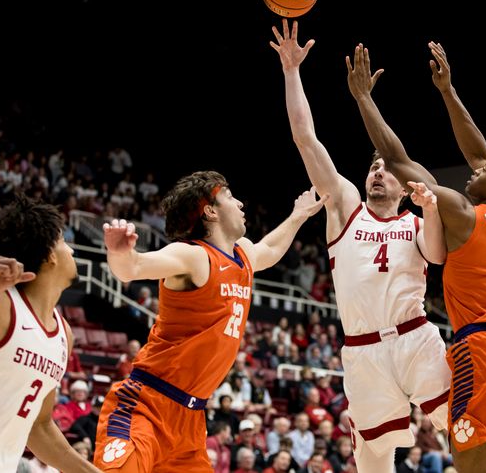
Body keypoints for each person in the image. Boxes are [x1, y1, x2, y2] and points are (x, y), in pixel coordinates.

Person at [346, 40, 486, 472]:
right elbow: (479, 151)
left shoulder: (461, 213)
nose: (475, 169)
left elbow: (397, 159)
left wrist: (363, 98)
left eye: (483, 173)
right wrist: (447, 91)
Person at [271, 19, 451, 472]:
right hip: (361, 349)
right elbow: (305, 139)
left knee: (464, 426)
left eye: (384, 166)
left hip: (416, 338)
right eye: (371, 165)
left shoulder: (417, 217)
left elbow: (439, 256)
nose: (376, 170)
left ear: (402, 178)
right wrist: (292, 71)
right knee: (372, 459)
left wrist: (430, 209)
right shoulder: (346, 206)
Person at [93, 170, 326, 471]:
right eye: (230, 196)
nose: (240, 203)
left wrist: (299, 215)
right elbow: (132, 268)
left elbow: (269, 248)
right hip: (146, 406)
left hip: (191, 420)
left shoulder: (242, 256)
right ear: (210, 211)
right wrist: (119, 251)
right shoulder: (193, 256)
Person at [0, 195, 101, 472]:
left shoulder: (64, 334)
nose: (71, 250)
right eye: (63, 242)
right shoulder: (0, 303)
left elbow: (39, 426)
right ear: (50, 254)